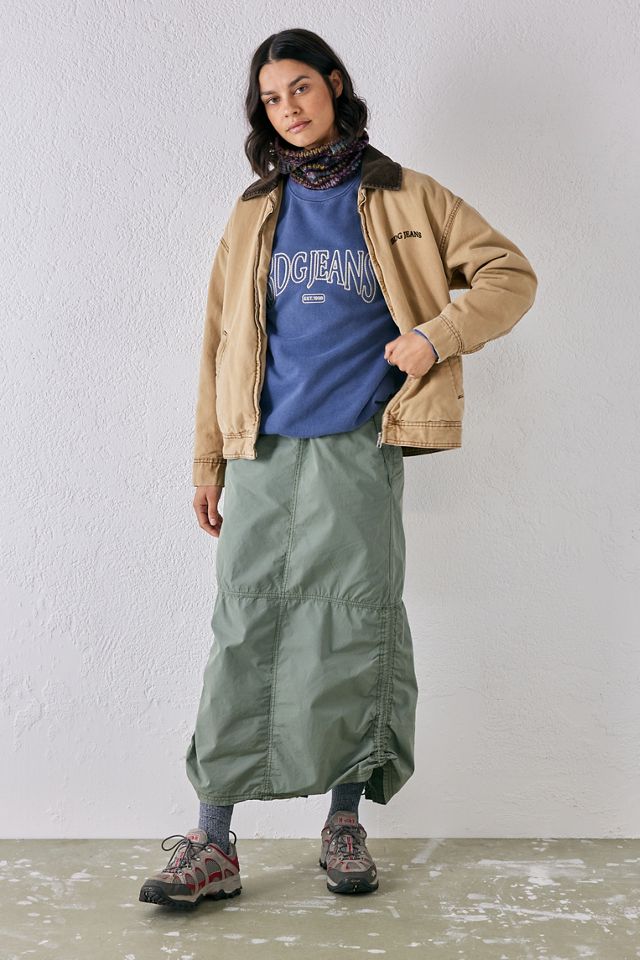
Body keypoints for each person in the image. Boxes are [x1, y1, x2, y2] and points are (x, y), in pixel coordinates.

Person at [139, 28, 538, 910]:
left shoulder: (407, 196)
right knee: (243, 628)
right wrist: (207, 457)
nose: (288, 108)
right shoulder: (254, 210)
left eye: (300, 88)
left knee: (356, 629)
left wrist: (434, 336)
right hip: (261, 449)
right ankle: (212, 841)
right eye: (271, 98)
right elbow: (218, 342)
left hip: (359, 443)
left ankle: (344, 823)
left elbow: (509, 274)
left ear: (334, 85)